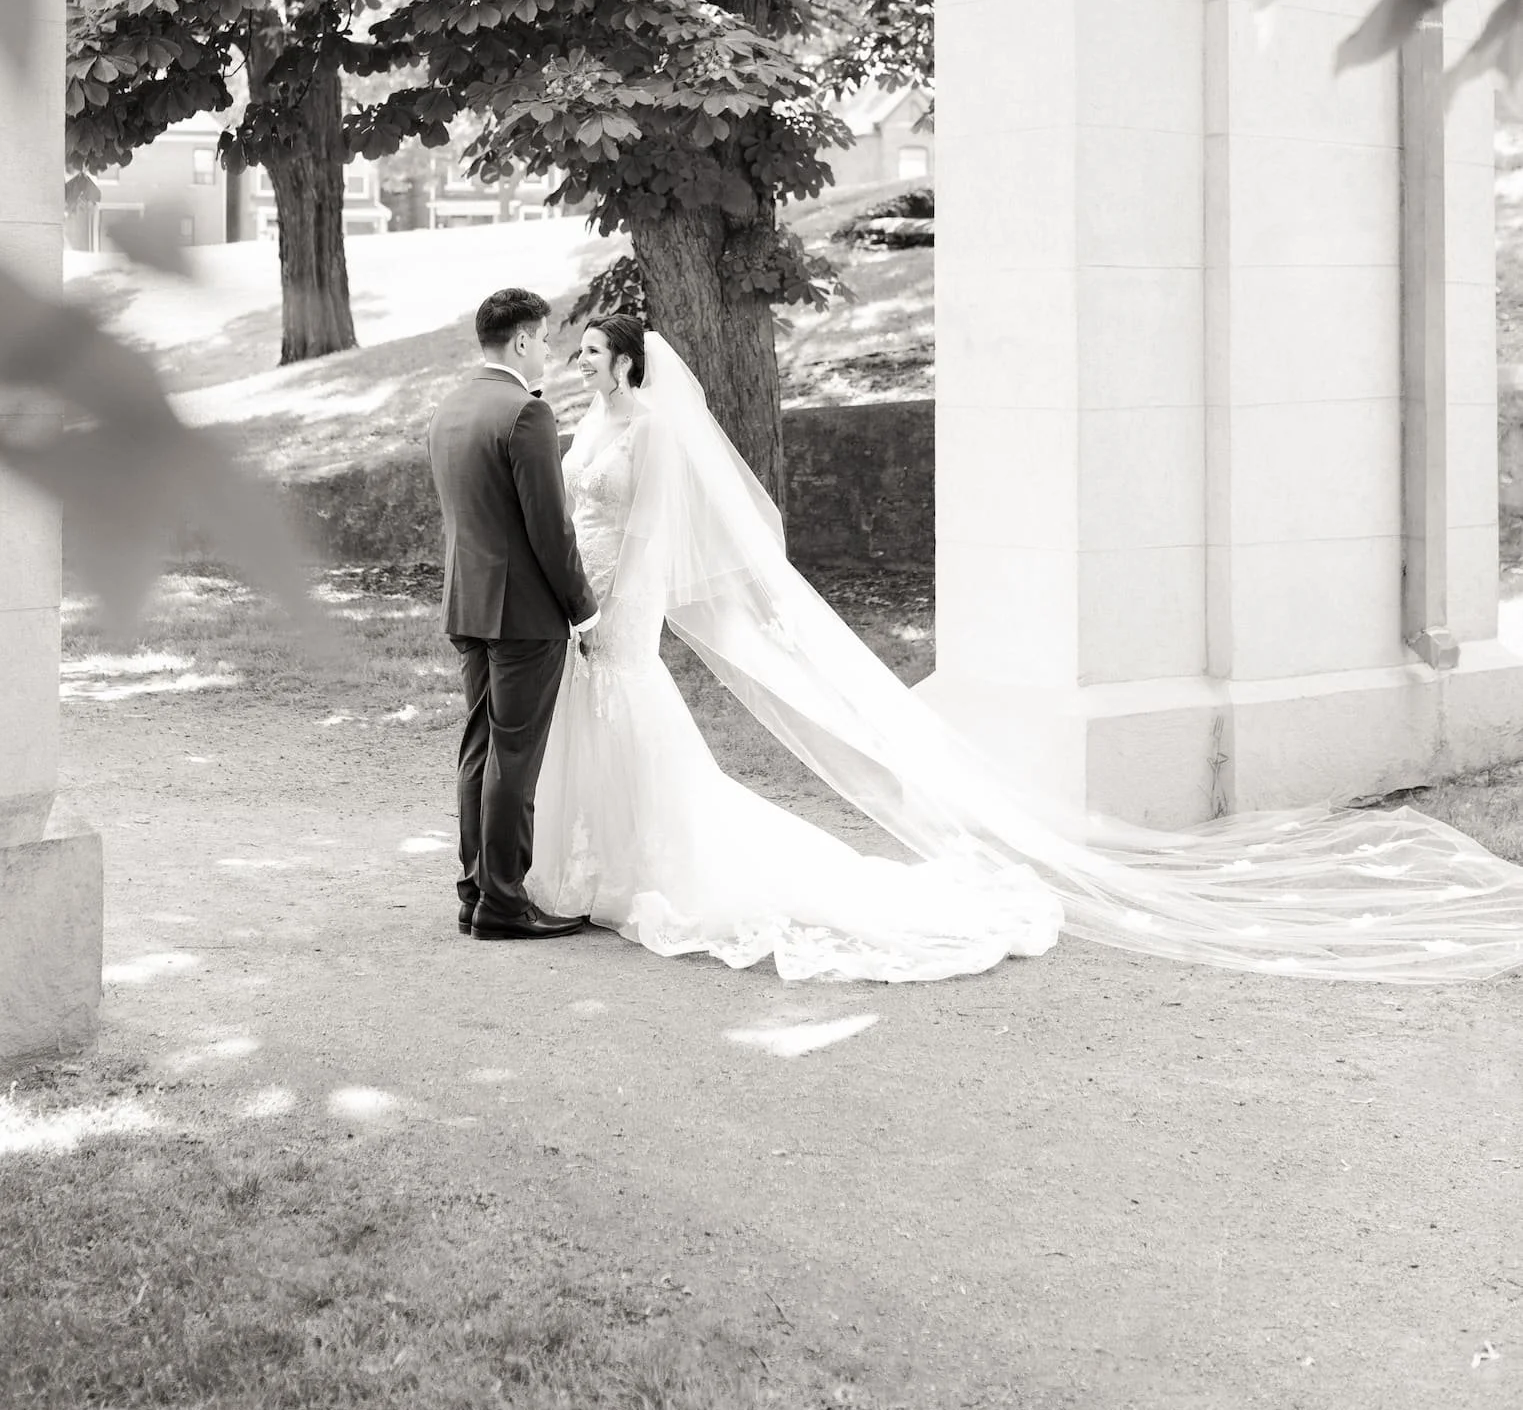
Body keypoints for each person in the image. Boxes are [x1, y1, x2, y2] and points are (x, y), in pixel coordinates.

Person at [527, 316, 1523, 985]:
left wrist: (616, 611)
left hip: (618, 605)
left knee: (639, 727)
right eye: (574, 355)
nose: (578, 365)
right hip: (581, 597)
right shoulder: (590, 426)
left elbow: (651, 535)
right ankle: (602, 863)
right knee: (605, 734)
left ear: (623, 361)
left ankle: (645, 868)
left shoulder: (654, 432)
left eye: (587, 354)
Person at [428, 287, 600, 941]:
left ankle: (475, 891)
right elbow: (549, 529)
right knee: (514, 759)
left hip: (467, 604)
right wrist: (582, 611)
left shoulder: (450, 408)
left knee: (479, 750)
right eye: (548, 340)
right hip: (523, 614)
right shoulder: (525, 414)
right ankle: (503, 901)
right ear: (523, 340)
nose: (549, 354)